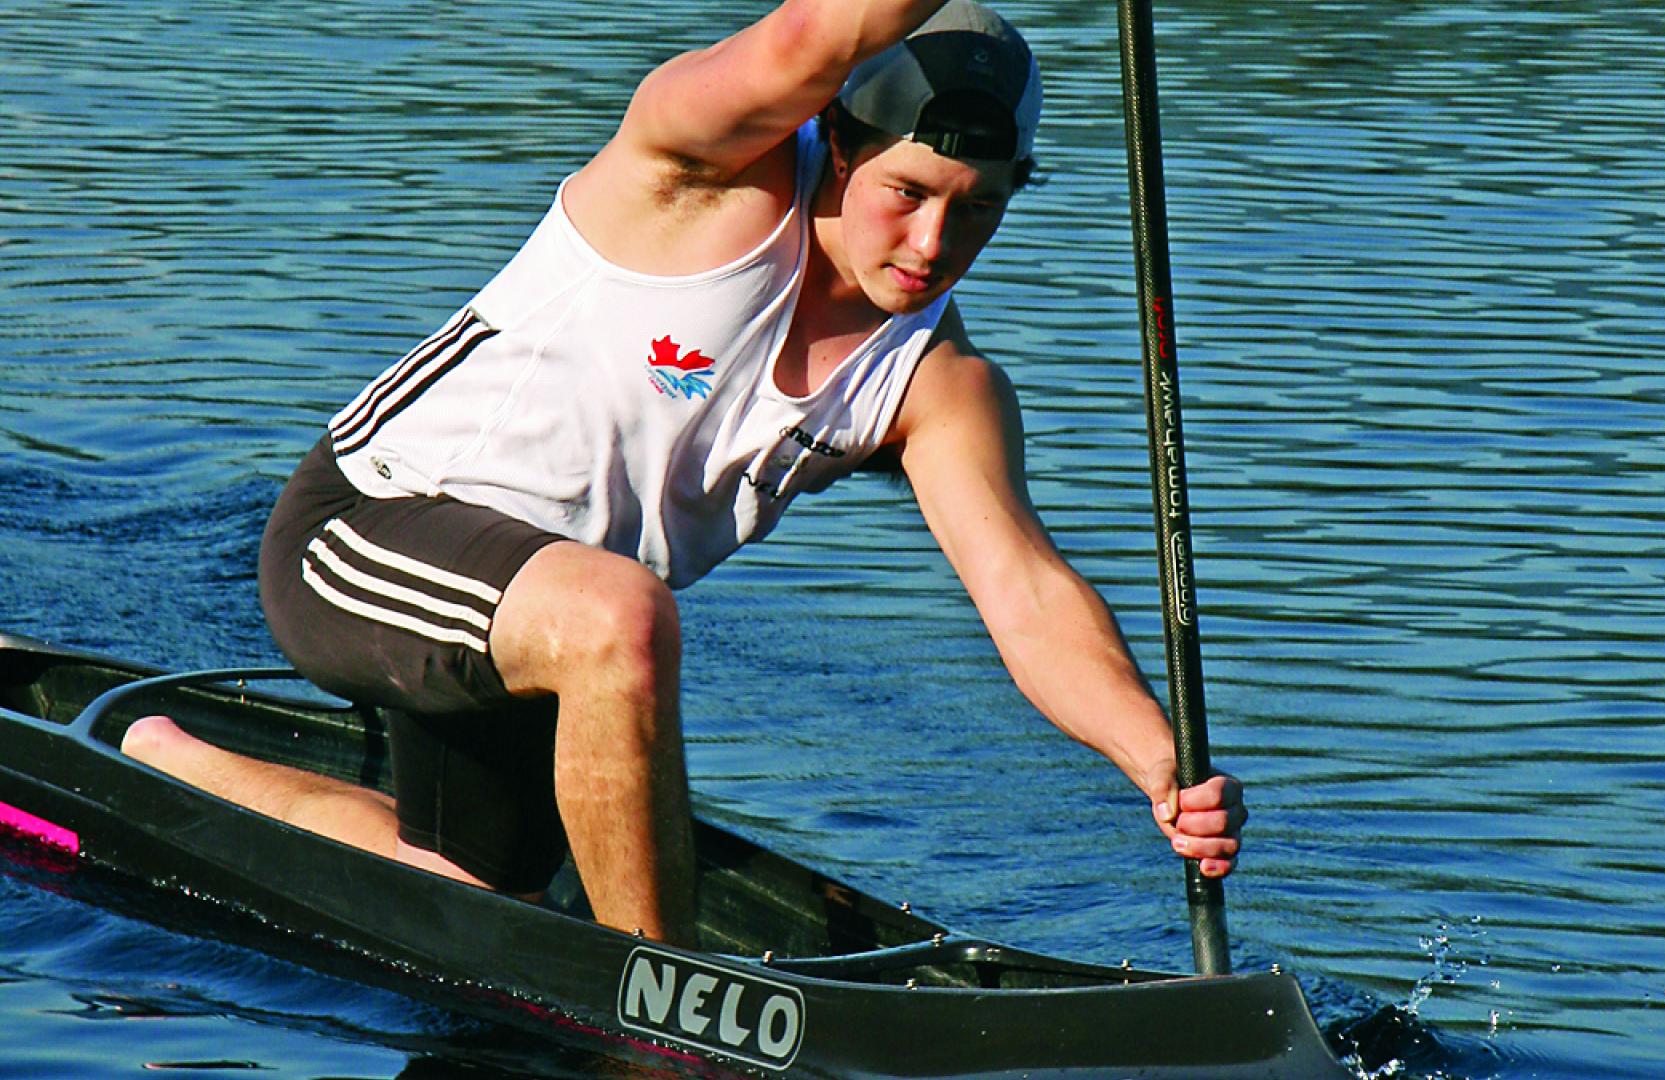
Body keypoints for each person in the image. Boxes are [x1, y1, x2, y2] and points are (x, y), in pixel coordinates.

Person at [123, 0, 1245, 946]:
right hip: (363, 531)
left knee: (484, 896)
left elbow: (1027, 594)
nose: (935, 240)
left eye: (980, 206)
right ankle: (655, 1002)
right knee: (625, 617)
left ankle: (158, 760)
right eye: (910, 190)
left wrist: (1160, 766)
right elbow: (819, 31)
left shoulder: (940, 386)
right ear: (840, 144)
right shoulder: (703, 175)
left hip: (544, 619)